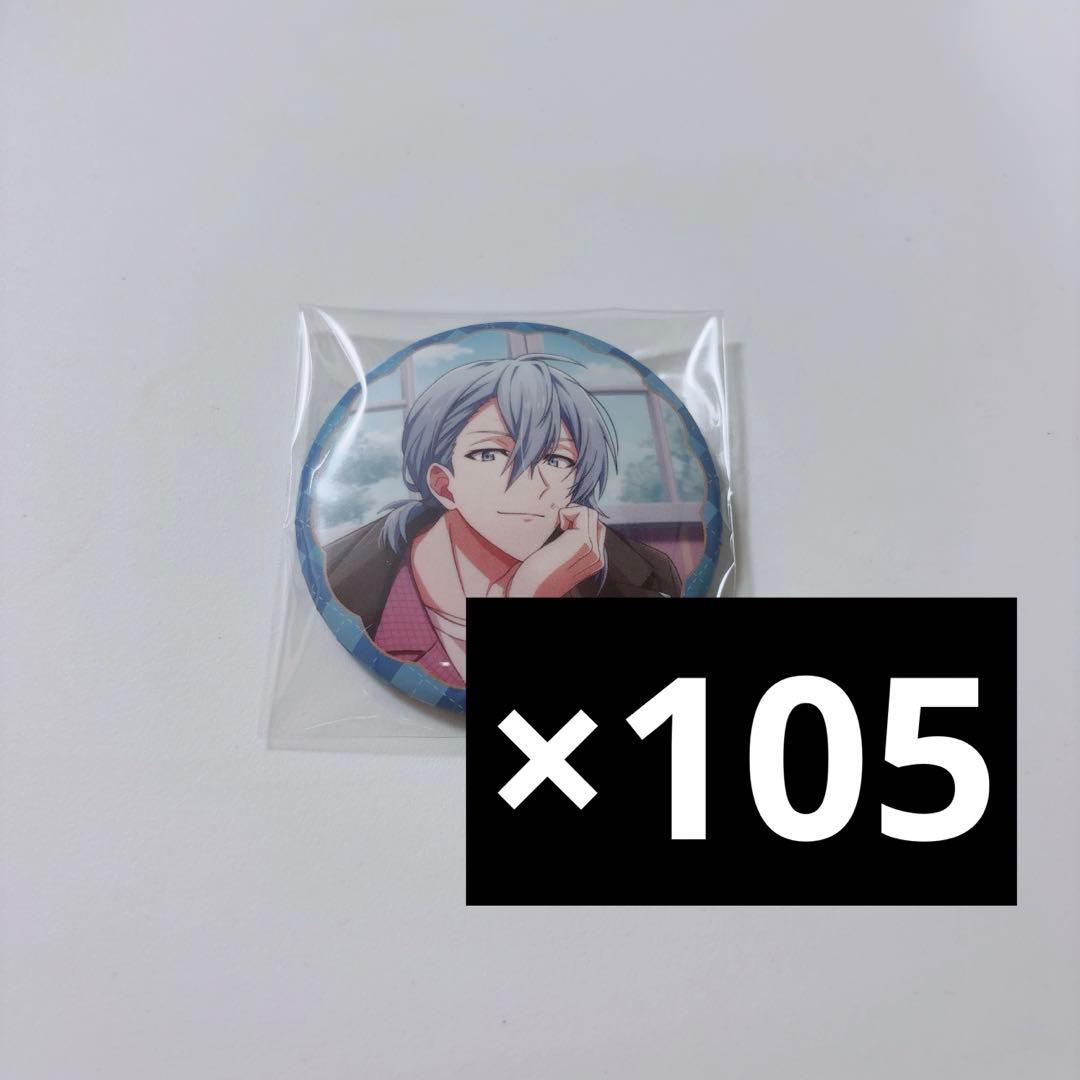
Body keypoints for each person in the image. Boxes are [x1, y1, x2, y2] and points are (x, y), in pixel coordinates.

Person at [323, 354, 682, 688]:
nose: (530, 482)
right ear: (443, 484)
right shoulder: (342, 585)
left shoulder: (642, 581)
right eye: (490, 454)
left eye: (556, 460)